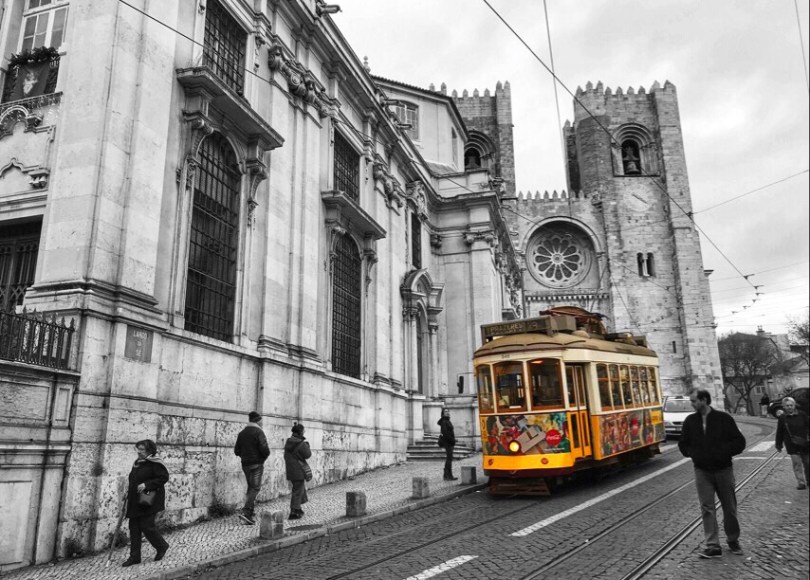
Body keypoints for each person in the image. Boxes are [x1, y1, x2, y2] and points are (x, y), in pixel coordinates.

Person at [678, 388, 746, 559]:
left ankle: (733, 539)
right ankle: (713, 545)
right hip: (702, 470)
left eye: (694, 401)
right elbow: (683, 443)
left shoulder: (723, 418)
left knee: (729, 507)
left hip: (723, 469)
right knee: (707, 507)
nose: (692, 404)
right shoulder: (690, 421)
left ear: (704, 400)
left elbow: (739, 442)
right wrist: (693, 453)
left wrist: (723, 452)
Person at [122, 439, 170, 567]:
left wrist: (147, 485)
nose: (139, 452)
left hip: (148, 498)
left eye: (142, 449)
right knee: (134, 528)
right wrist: (128, 492)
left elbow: (163, 478)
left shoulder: (155, 463)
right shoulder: (138, 463)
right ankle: (135, 557)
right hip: (135, 499)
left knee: (146, 526)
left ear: (149, 451)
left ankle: (161, 546)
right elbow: (133, 479)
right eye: (138, 449)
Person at [234, 411, 270, 525]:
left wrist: (245, 457)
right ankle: (246, 513)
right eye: (261, 420)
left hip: (245, 464)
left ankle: (250, 511)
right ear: (257, 420)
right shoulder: (259, 432)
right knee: (255, 488)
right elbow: (265, 450)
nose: (262, 422)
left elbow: (237, 451)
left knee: (251, 487)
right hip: (256, 464)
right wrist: (261, 459)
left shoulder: (242, 433)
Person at [775, 397, 810, 490]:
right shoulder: (782, 418)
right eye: (787, 406)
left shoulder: (802, 415)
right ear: (784, 407)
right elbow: (780, 432)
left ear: (794, 405)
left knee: (807, 463)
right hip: (792, 444)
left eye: (791, 405)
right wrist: (778, 444)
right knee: (797, 464)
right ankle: (801, 482)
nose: (789, 407)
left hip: (804, 443)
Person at [284, 422, 312, 519]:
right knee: (297, 490)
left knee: (299, 488)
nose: (304, 432)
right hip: (299, 470)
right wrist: (307, 446)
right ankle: (294, 511)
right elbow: (308, 455)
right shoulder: (301, 443)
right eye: (303, 430)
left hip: (290, 470)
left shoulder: (288, 442)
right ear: (300, 432)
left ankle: (298, 508)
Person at [438, 408, 457, 481]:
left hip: (450, 442)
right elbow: (445, 433)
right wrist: (452, 440)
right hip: (448, 442)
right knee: (449, 459)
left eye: (448, 411)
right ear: (443, 413)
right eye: (445, 411)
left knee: (449, 459)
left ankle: (449, 475)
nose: (447, 412)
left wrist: (453, 440)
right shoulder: (444, 421)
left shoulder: (447, 420)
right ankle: (447, 475)